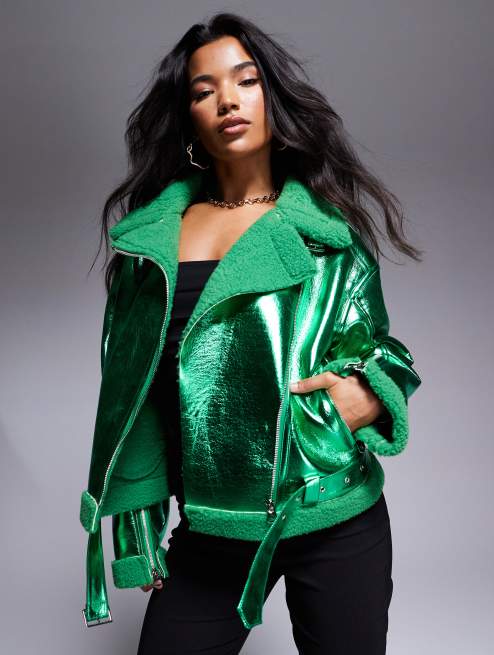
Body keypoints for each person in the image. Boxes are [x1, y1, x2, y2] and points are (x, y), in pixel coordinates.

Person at [80, 11, 423, 654]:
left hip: (333, 513)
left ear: (273, 99)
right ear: (189, 118)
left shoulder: (326, 232)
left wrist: (368, 393)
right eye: (203, 90)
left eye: (246, 81)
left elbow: (381, 348)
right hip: (213, 528)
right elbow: (134, 397)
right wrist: (137, 528)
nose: (227, 101)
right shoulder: (148, 247)